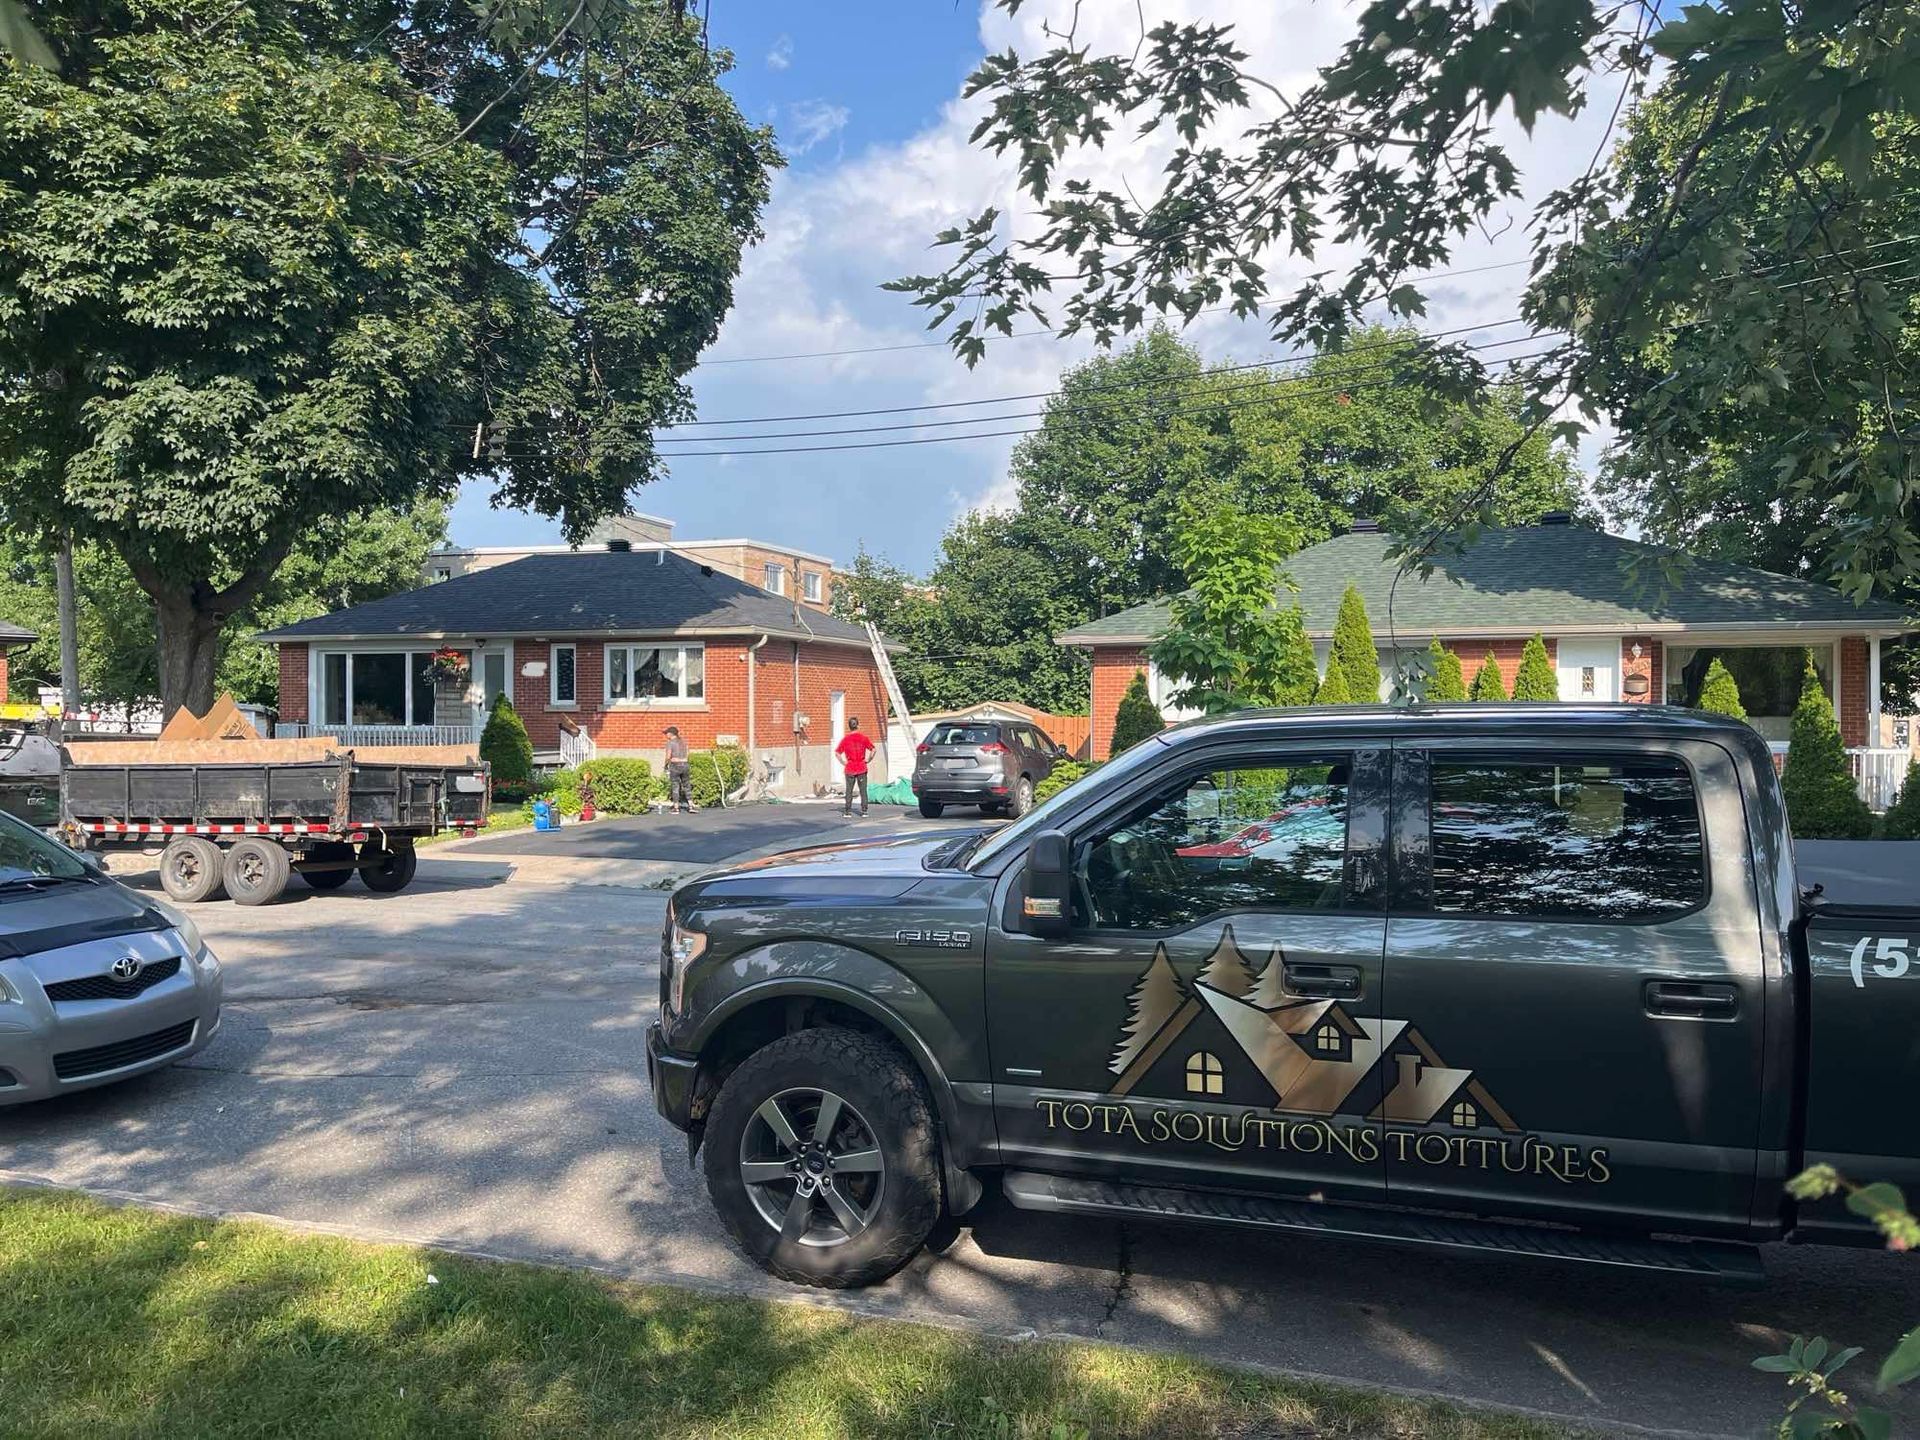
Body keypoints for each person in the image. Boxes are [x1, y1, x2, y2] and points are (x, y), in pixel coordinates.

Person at [835, 717, 877, 817]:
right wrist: (868, 760)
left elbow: (837, 753)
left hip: (850, 767)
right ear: (857, 725)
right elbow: (873, 750)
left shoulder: (845, 739)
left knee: (849, 790)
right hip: (861, 767)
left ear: (849, 726)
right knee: (863, 790)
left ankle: (847, 811)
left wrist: (843, 762)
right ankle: (864, 811)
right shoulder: (863, 738)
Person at [663, 725, 692, 813]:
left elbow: (668, 756)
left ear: (671, 734)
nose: (666, 735)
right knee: (687, 785)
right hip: (685, 764)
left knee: (675, 786)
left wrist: (666, 765)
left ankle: (676, 807)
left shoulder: (670, 743)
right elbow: (688, 753)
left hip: (675, 765)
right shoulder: (684, 742)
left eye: (666, 733)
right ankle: (691, 806)